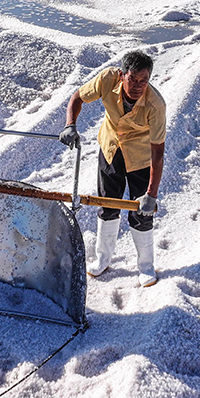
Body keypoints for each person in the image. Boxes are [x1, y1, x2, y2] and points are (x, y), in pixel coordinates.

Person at [59, 50, 166, 287]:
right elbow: (77, 97)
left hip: (140, 158)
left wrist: (152, 193)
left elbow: (158, 152)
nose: (138, 86)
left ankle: (146, 266)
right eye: (133, 79)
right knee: (107, 205)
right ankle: (103, 259)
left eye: (144, 81)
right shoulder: (107, 79)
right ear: (122, 75)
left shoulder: (155, 105)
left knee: (141, 212)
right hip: (110, 149)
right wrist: (70, 125)